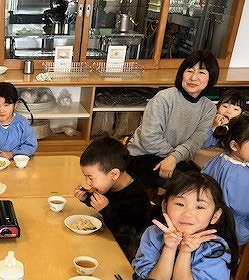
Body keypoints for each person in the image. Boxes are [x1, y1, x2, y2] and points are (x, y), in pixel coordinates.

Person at [132, 172, 239, 280]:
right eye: (180, 204)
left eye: (200, 207)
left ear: (215, 215)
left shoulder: (217, 249)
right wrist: (169, 247)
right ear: (165, 206)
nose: (188, 213)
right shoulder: (154, 233)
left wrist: (184, 251)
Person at [126, 51, 219, 191]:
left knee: (203, 185)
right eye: (189, 70)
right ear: (182, 73)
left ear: (211, 78)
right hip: (143, 155)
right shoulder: (163, 98)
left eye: (201, 72)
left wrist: (174, 158)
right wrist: (173, 157)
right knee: (188, 188)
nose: (193, 77)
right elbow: (150, 138)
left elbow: (196, 141)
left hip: (175, 156)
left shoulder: (209, 108)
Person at [74, 136, 150, 259]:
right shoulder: (110, 183)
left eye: (90, 177)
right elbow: (102, 201)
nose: (87, 182)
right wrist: (86, 198)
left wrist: (105, 210)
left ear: (114, 174)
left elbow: (128, 233)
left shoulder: (136, 197)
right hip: (106, 234)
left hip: (124, 251)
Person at [202, 113, 249, 245]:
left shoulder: (219, 158)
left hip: (207, 218)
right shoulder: (241, 174)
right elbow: (243, 208)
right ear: (234, 146)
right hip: (230, 228)